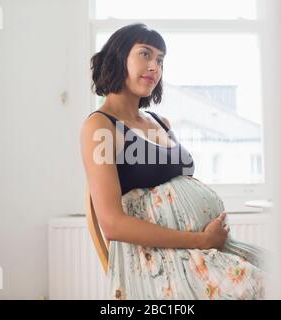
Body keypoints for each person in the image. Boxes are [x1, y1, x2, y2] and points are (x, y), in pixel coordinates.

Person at [80, 23, 268, 299]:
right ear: (118, 58)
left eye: (160, 60)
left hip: (202, 251)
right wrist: (201, 240)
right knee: (262, 286)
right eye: (145, 54)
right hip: (161, 262)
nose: (154, 67)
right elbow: (112, 223)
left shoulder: (159, 122)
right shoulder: (100, 127)